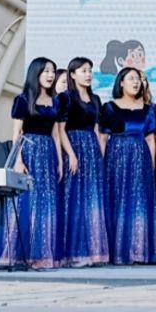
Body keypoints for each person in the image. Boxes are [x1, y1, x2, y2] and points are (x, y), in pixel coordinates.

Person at [0, 58, 64, 269]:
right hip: (29, 151)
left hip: (48, 153)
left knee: (46, 203)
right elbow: (17, 133)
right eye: (46, 71)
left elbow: (56, 134)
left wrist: (60, 161)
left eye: (52, 71)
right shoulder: (22, 100)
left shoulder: (55, 101)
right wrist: (18, 160)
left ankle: (42, 254)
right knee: (26, 201)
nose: (50, 75)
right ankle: (19, 254)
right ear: (35, 73)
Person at [100, 67, 156, 265]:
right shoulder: (109, 107)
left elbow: (150, 139)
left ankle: (139, 251)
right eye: (131, 78)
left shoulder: (150, 109)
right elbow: (103, 138)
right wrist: (102, 164)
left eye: (138, 79)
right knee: (118, 200)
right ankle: (118, 252)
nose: (136, 82)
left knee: (139, 202)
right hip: (116, 157)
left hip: (141, 157)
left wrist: (152, 166)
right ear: (121, 82)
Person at [57, 56, 108, 268]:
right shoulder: (65, 98)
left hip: (91, 149)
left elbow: (97, 129)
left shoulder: (95, 99)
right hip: (73, 145)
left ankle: (92, 251)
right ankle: (72, 252)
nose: (88, 74)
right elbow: (60, 130)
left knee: (91, 198)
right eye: (83, 70)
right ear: (73, 74)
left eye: (89, 70)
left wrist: (99, 154)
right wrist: (71, 154)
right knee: (73, 197)